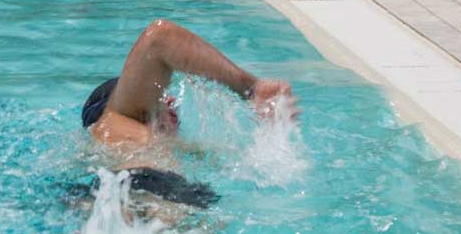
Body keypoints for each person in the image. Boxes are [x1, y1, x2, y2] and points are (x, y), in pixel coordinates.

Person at [77, 19, 297, 212]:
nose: (171, 100)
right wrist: (251, 88)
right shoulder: (118, 117)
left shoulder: (171, 149)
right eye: (158, 95)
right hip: (143, 190)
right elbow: (160, 37)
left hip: (174, 197)